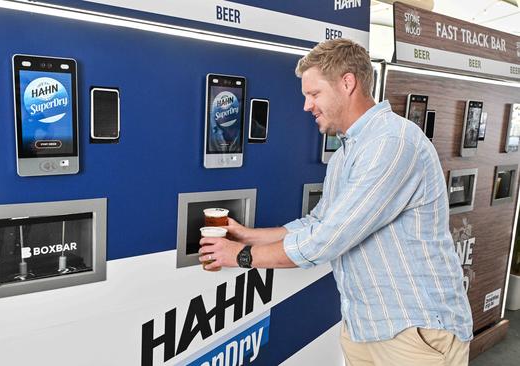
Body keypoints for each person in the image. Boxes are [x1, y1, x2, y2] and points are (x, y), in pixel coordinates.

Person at [198, 38, 473, 366]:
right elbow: (318, 223)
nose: (306, 106)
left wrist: (240, 256)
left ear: (347, 83)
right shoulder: (347, 152)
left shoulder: (392, 142)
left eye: (313, 94)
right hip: (365, 327)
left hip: (413, 332)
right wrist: (247, 235)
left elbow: (329, 239)